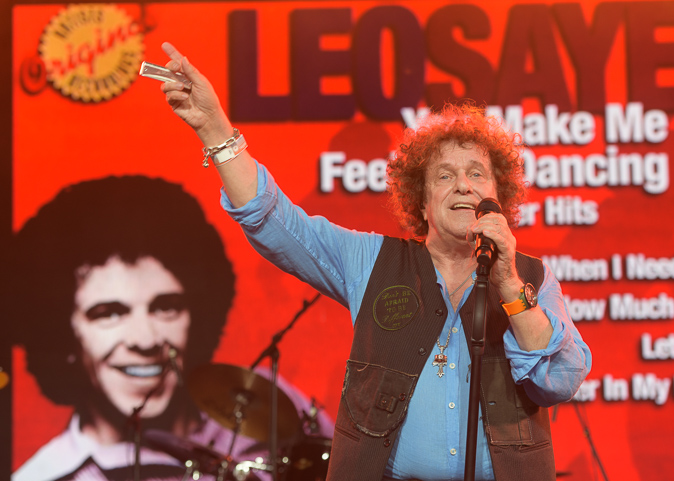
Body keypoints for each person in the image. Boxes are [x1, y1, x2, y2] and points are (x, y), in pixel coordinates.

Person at [158, 41, 591, 481]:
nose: (464, 185)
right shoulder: (370, 260)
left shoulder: (532, 277)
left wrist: (508, 283)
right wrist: (214, 129)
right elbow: (274, 221)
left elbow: (559, 381)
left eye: (477, 174)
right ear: (422, 203)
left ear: (498, 195)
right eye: (445, 175)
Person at [11, 175, 333, 481]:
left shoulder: (260, 398)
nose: (145, 340)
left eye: (166, 307)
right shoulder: (46, 476)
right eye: (109, 314)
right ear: (64, 334)